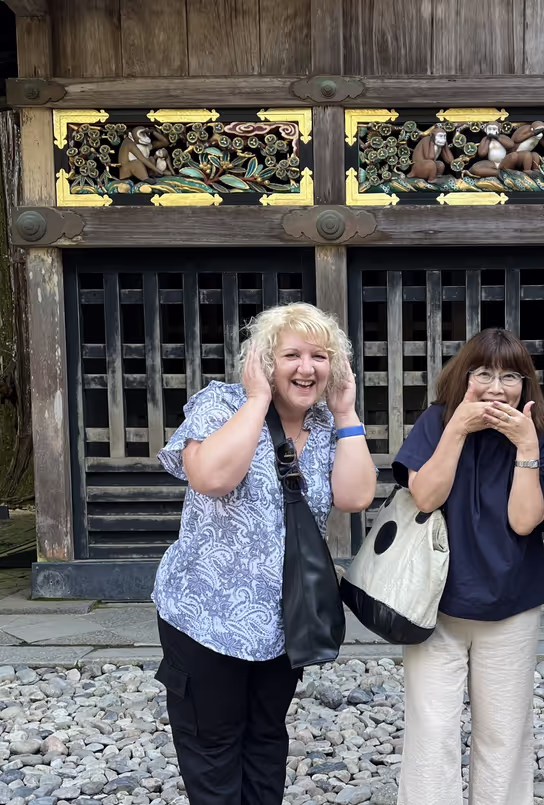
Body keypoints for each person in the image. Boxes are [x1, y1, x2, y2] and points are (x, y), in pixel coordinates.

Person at [151, 302, 377, 805]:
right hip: (206, 615)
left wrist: (346, 413)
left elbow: (356, 496)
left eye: (319, 356)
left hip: (284, 618)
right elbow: (211, 478)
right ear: (264, 361)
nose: (307, 368)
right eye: (292, 355)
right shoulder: (220, 404)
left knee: (267, 737)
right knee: (212, 742)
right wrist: (256, 399)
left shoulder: (327, 424)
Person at [392, 328, 544, 805]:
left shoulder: (537, 434)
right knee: (431, 731)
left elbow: (525, 521)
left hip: (511, 601)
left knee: (504, 733)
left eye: (510, 376)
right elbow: (426, 497)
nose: (496, 388)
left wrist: (526, 449)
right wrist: (457, 429)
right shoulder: (436, 421)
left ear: (526, 384)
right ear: (463, 376)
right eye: (483, 373)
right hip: (433, 602)